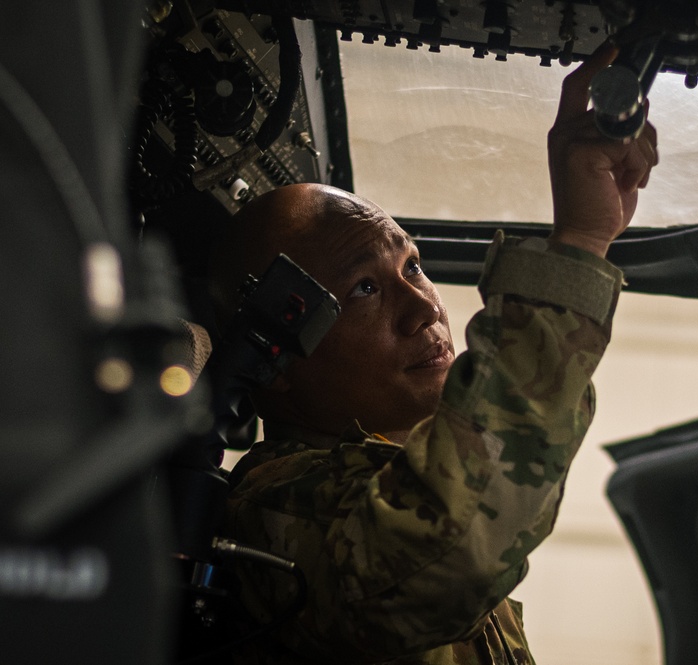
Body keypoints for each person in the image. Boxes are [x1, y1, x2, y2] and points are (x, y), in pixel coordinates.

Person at [210, 43, 658, 665]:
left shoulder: (398, 477)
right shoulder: (268, 508)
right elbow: (442, 549)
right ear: (276, 357)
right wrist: (580, 242)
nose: (426, 309)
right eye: (363, 288)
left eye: (412, 266)